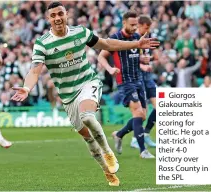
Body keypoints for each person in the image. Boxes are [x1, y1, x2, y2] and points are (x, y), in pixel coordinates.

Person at [11, 2, 159, 186]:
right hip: (67, 95)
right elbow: (34, 71)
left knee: (87, 116)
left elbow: (106, 43)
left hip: (87, 82)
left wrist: (136, 44)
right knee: (87, 138)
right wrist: (26, 88)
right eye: (53, 15)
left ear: (66, 15)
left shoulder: (80, 32)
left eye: (60, 14)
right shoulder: (42, 44)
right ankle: (108, 171)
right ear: (48, 19)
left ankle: (107, 150)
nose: (57, 18)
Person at [97, 11, 155, 158]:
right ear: (124, 23)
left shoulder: (137, 38)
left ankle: (119, 134)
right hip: (125, 81)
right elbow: (101, 56)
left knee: (142, 116)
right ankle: (143, 150)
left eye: (136, 24)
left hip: (138, 79)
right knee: (137, 112)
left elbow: (134, 57)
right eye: (132, 24)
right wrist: (110, 69)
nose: (135, 27)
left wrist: (143, 59)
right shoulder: (115, 38)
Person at [129, 15, 157, 149]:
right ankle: (134, 137)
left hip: (148, 77)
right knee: (141, 114)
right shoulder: (133, 39)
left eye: (149, 28)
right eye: (146, 27)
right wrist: (142, 65)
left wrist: (150, 58)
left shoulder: (147, 38)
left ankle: (145, 133)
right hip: (138, 77)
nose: (147, 30)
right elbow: (131, 60)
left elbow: (149, 56)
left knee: (159, 107)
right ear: (139, 25)